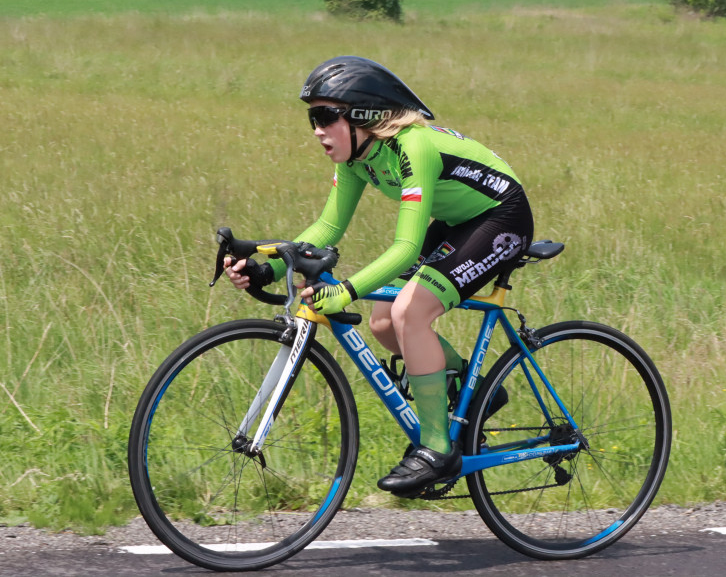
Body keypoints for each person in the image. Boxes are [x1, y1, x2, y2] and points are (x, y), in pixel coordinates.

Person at [224, 55, 534, 495]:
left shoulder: (414, 148)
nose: (316, 129)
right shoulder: (357, 157)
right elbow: (327, 229)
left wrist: (347, 291)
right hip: (456, 221)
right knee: (384, 320)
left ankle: (437, 449)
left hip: (502, 218)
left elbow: (406, 246)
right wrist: (265, 266)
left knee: (410, 310)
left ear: (364, 117)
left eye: (325, 116)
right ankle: (475, 388)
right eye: (312, 117)